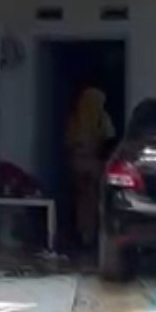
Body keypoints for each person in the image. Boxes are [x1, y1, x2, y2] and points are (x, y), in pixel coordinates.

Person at [66, 86, 116, 250]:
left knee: (82, 201)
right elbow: (109, 140)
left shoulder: (75, 120)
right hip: (95, 164)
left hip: (77, 163)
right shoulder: (102, 118)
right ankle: (94, 236)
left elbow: (69, 142)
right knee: (96, 199)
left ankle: (84, 235)